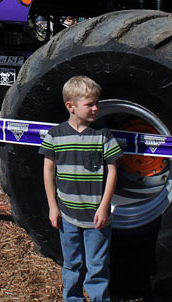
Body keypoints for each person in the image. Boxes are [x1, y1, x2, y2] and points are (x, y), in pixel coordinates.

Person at [40, 76, 122, 302]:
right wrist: (52, 207)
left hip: (97, 217)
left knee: (97, 266)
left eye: (97, 102)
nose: (96, 108)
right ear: (71, 106)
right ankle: (73, 299)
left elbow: (113, 171)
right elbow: (48, 171)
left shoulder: (103, 136)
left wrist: (105, 207)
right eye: (90, 104)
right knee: (72, 264)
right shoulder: (55, 136)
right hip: (67, 216)